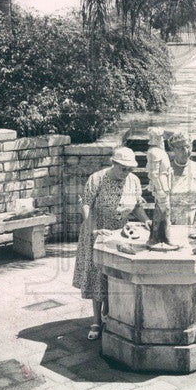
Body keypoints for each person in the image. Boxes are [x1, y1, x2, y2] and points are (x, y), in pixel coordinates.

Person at [72, 146, 149, 340]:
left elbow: (137, 207)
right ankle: (96, 321)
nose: (126, 172)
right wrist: (93, 229)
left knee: (114, 276)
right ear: (113, 163)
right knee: (97, 278)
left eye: (130, 169)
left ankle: (111, 315)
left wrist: (146, 219)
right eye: (123, 168)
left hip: (118, 234)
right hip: (96, 232)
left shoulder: (134, 181)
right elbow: (86, 205)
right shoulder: (97, 179)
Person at [165, 131, 196, 227]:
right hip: (172, 222)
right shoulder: (167, 169)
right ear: (173, 149)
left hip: (194, 221)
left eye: (188, 147)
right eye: (181, 148)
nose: (186, 151)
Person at [145, 126, 172, 246]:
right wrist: (160, 189)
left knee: (163, 211)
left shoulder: (159, 151)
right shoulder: (154, 152)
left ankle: (160, 236)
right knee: (163, 211)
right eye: (160, 136)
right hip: (161, 185)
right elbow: (154, 173)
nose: (162, 139)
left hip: (165, 182)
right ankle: (160, 237)